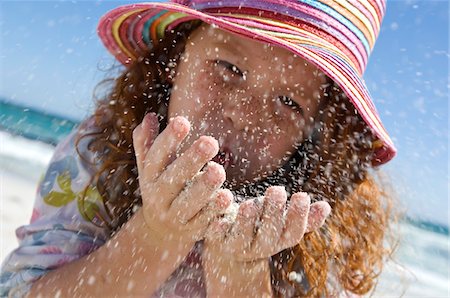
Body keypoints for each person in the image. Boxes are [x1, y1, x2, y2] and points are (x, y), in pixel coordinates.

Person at [0, 0, 398, 297]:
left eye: (289, 103)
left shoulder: (312, 222)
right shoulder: (102, 151)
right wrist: (158, 234)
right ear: (173, 60)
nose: (246, 116)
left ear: (315, 136)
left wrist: (241, 271)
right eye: (230, 69)